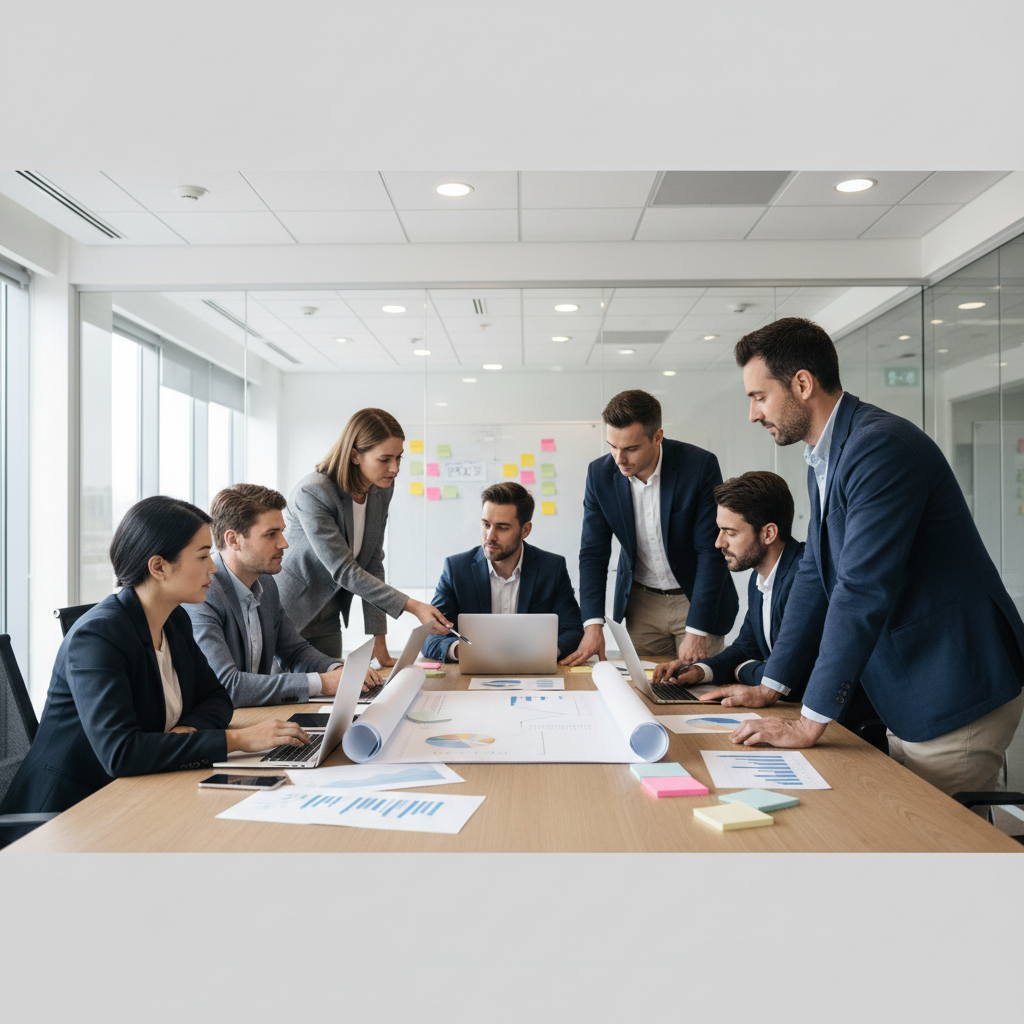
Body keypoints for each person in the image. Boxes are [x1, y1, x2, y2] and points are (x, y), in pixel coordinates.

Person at [726, 316, 1024, 797]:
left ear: (802, 384)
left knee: (940, 853)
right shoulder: (827, 456)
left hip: (952, 681)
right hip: (911, 686)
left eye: (759, 397)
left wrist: (808, 721)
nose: (753, 414)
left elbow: (860, 589)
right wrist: (773, 684)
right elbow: (816, 576)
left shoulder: (878, 447)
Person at [0, 496, 312, 835]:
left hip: (134, 793)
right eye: (203, 555)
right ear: (159, 566)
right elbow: (121, 753)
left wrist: (185, 733)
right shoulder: (98, 636)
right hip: (66, 816)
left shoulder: (173, 619)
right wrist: (236, 740)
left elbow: (218, 699)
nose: (212, 567)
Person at [562, 389, 738, 667]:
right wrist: (592, 624)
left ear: (658, 437)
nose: (619, 458)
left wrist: (697, 629)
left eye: (630, 448)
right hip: (641, 603)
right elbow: (593, 553)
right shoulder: (600, 475)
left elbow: (710, 550)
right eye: (612, 446)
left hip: (694, 599)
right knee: (645, 688)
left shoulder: (699, 466)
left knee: (699, 686)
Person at [277, 408, 451, 668]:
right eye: (385, 459)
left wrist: (378, 641)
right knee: (286, 697)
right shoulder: (314, 492)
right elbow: (344, 570)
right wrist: (412, 606)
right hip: (290, 610)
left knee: (329, 696)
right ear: (355, 456)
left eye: (399, 458)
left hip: (329, 612)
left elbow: (371, 562)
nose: (395, 468)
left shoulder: (381, 490)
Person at [186, 484, 382, 706]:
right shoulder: (203, 593)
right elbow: (227, 686)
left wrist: (340, 670)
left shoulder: (266, 583)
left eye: (281, 531)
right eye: (271, 534)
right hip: (218, 724)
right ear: (233, 540)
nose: (284, 544)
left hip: (253, 715)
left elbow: (295, 652)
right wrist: (324, 683)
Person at [652, 471, 811, 698]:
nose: (719, 542)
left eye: (730, 532)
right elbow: (746, 648)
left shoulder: (804, 578)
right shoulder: (759, 577)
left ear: (768, 533)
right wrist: (699, 671)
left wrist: (742, 670)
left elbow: (797, 674)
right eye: (719, 530)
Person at [422, 482, 585, 663]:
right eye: (486, 524)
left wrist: (542, 653)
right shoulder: (456, 569)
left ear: (525, 530)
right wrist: (465, 651)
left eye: (502, 528)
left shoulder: (552, 568)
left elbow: (573, 630)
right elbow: (430, 635)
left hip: (533, 671)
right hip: (473, 674)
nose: (490, 536)